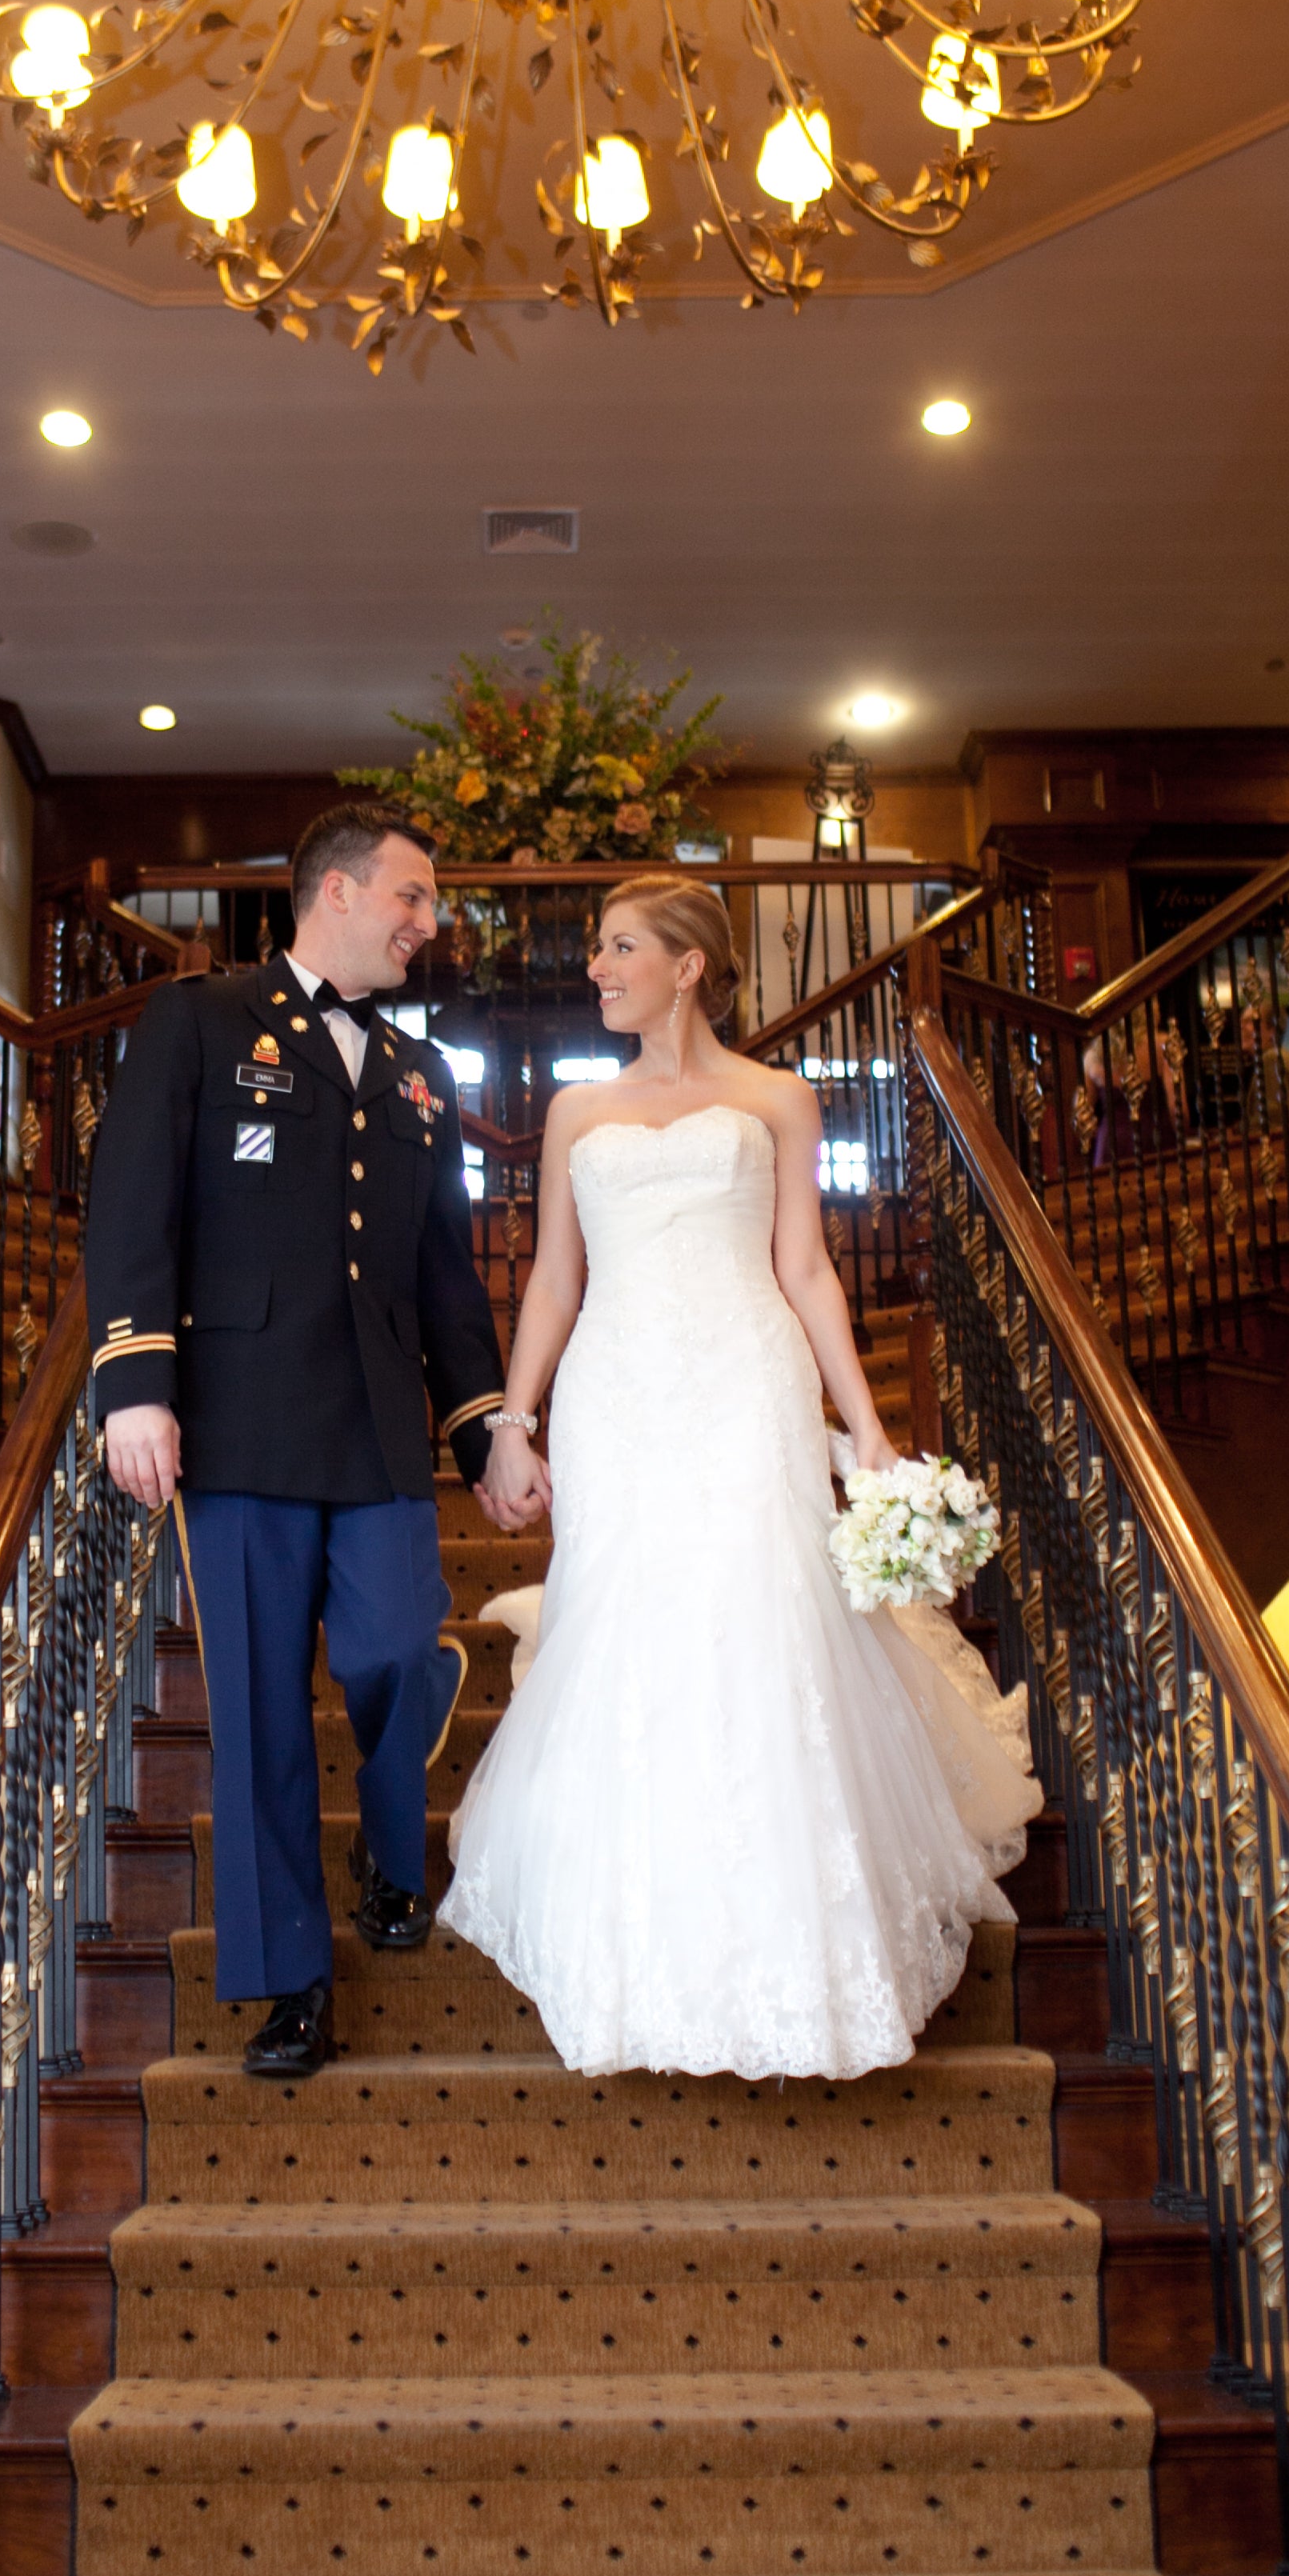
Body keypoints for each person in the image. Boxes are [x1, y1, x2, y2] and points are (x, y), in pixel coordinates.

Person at [438, 873, 1040, 2080]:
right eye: (600, 948)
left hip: (743, 1386)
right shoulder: (573, 1111)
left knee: (760, 1628)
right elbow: (553, 1278)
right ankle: (630, 1953)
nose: (598, 968)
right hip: (616, 1396)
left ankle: (794, 1956)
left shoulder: (777, 1098)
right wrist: (514, 1423)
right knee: (630, 1628)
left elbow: (808, 1270)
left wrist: (863, 1426)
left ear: (688, 963)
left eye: (619, 947)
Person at [87, 805, 510, 2083]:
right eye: (414, 896)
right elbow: (132, 1203)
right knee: (260, 1714)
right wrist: (134, 1383)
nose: (428, 923)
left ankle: (390, 1850)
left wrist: (482, 1424)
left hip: (381, 1423)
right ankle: (288, 1981)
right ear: (335, 889)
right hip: (238, 1421)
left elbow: (445, 1273)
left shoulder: (421, 1074)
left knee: (396, 1644)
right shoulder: (201, 1020)